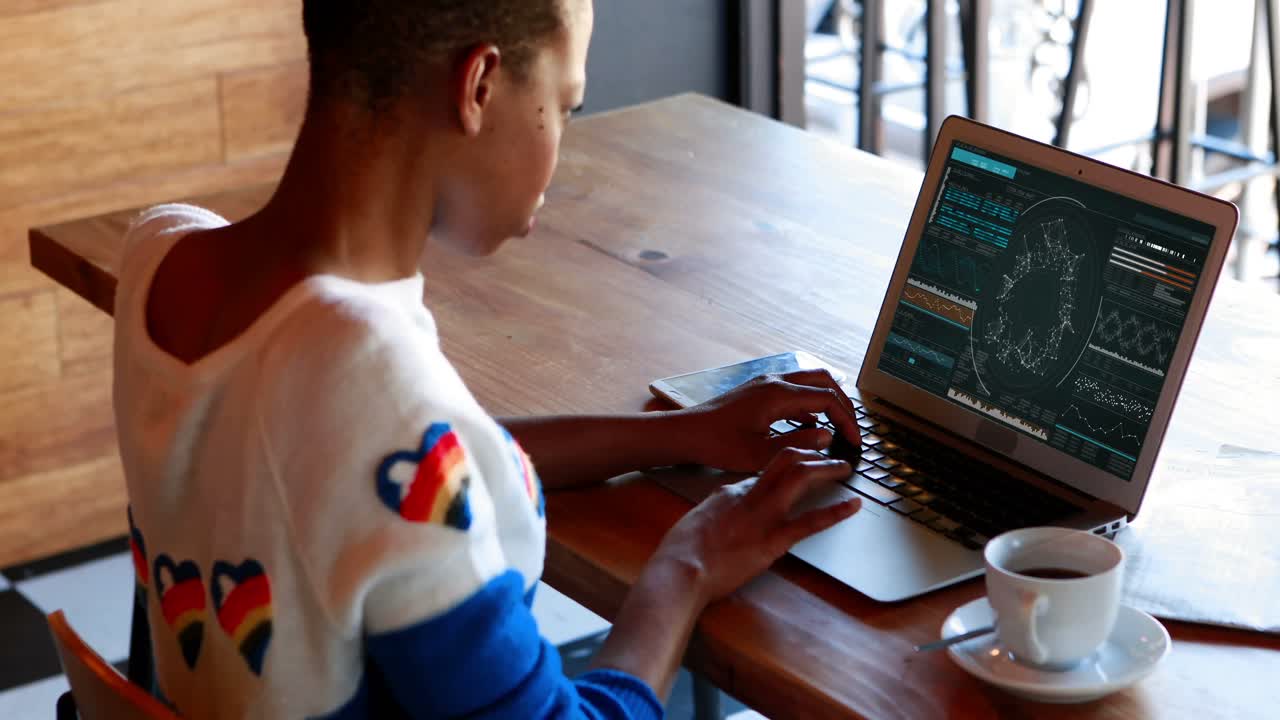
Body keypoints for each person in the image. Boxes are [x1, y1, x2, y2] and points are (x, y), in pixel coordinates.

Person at [116, 1, 863, 717]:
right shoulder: (369, 378)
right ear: (477, 87)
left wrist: (682, 433)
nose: (563, 139)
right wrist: (686, 565)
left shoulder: (161, 256)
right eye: (566, 106)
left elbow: (395, 470)